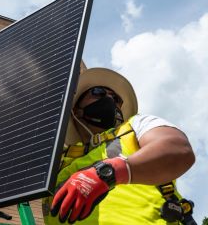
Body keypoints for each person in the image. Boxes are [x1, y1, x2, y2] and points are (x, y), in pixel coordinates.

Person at [42, 67, 196, 224]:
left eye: (116, 99)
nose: (109, 100)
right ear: (76, 110)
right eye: (99, 92)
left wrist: (109, 172)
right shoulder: (58, 161)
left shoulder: (135, 126)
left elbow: (178, 149)